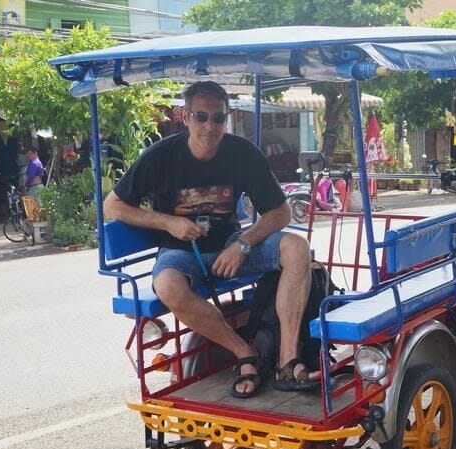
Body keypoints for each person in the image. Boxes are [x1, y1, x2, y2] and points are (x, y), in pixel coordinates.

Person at [104, 81, 314, 398]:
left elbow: (280, 212)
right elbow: (113, 206)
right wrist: (169, 222)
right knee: (167, 285)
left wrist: (242, 245)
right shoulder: (161, 156)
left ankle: (287, 359)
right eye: (201, 117)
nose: (210, 126)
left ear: (226, 119)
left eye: (218, 118)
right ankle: (245, 353)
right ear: (185, 117)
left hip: (230, 245)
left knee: (297, 248)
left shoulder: (242, 153)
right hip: (180, 252)